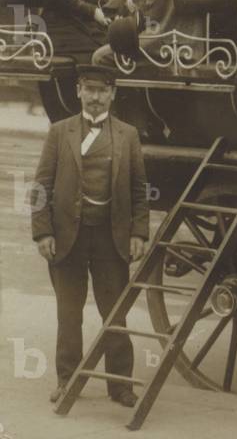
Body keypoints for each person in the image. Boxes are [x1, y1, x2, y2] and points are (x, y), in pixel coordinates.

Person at [30, 64, 149, 407]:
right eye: (89, 89)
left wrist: (138, 231)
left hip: (110, 239)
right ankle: (67, 381)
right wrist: (42, 233)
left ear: (112, 93)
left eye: (102, 90)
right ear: (78, 91)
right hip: (68, 237)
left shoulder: (128, 134)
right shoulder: (59, 132)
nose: (95, 97)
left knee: (115, 313)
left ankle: (120, 385)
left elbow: (140, 189)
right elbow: (40, 187)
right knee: (69, 313)